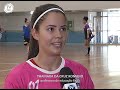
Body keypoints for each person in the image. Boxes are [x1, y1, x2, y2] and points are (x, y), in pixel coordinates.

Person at [4, 4, 94, 89]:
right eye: (51, 29)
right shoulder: (17, 77)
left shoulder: (80, 72)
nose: (59, 35)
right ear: (35, 33)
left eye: (63, 29)